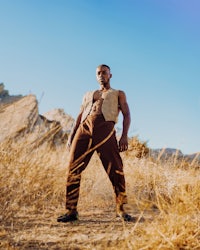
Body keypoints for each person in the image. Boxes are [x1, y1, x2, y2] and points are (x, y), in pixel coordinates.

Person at [57, 64, 132, 222]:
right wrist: (72, 136)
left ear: (110, 75)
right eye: (98, 73)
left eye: (104, 72)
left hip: (105, 129)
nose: (101, 75)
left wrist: (124, 136)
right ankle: (71, 211)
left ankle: (121, 209)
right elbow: (79, 115)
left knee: (116, 168)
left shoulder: (118, 93)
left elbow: (126, 114)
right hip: (84, 130)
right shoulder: (88, 94)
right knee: (73, 167)